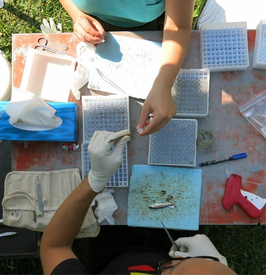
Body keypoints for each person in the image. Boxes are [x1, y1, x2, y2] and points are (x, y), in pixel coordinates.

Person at [40, 130, 237, 275]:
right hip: (171, 244)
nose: (168, 264)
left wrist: (95, 180)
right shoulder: (177, 259)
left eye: (167, 271)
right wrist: (217, 263)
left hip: (110, 252)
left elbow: (54, 247)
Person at [59, 0, 195, 136]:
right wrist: (77, 15)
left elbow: (179, 26)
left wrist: (163, 85)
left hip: (148, 27)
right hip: (91, 23)